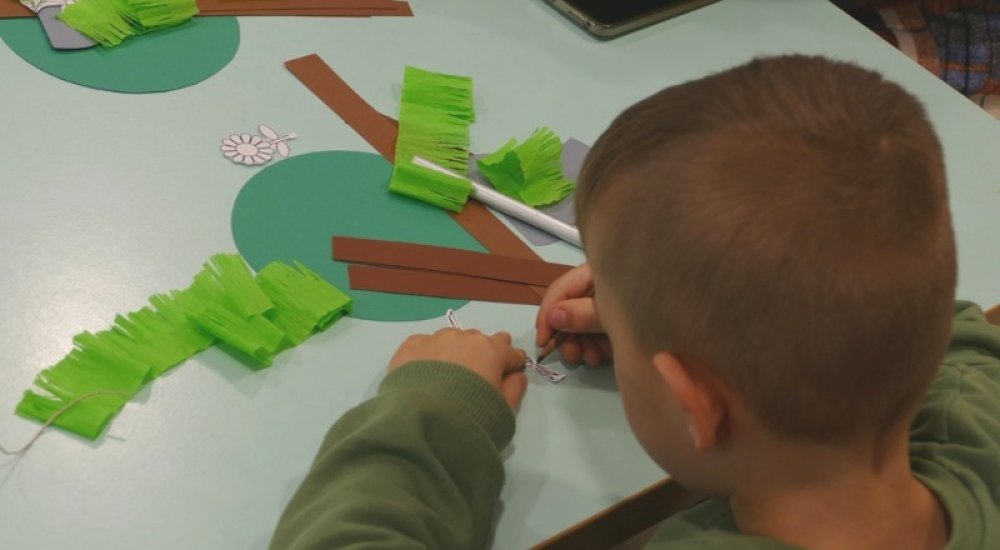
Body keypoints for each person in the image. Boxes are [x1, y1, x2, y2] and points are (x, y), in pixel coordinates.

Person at [269, 55, 1000, 549]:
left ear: (694, 404)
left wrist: (430, 411)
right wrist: (679, 315)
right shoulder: (978, 434)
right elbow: (955, 334)